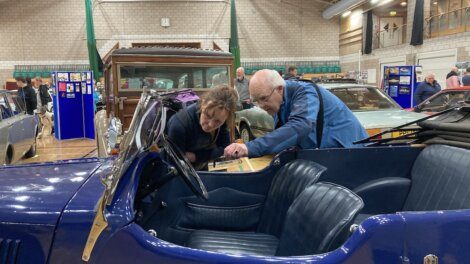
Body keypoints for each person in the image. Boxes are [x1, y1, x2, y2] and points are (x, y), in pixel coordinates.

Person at [224, 69, 368, 159]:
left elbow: (300, 126)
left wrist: (251, 147)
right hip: (325, 155)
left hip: (351, 154)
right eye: (256, 101)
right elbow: (284, 138)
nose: (261, 106)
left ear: (279, 89)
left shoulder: (305, 92)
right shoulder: (278, 103)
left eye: (263, 99)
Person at [166, 85, 238, 170]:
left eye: (218, 122)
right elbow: (174, 162)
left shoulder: (223, 118)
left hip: (202, 167)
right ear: (203, 104)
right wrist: (211, 154)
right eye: (208, 115)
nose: (210, 124)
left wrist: (195, 157)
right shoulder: (179, 126)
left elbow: (224, 149)